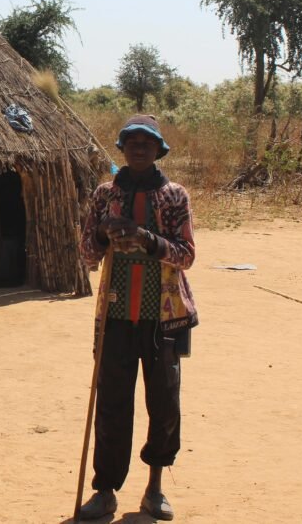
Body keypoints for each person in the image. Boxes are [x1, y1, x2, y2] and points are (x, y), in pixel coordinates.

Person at [77, 114, 198, 521]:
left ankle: (155, 488)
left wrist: (148, 240)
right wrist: (101, 235)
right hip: (114, 315)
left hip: (165, 317)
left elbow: (187, 254)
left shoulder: (175, 195)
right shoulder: (104, 194)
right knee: (111, 403)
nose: (140, 147)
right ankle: (106, 490)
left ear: (159, 149)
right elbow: (87, 255)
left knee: (164, 404)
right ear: (123, 148)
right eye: (132, 141)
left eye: (148, 142)